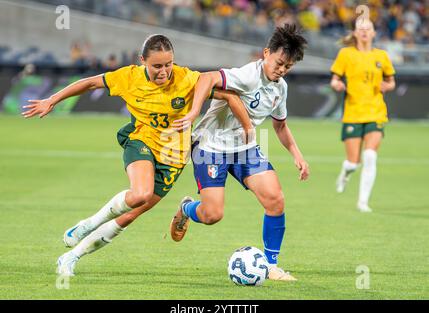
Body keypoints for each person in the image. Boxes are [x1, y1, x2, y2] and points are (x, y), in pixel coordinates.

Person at [22, 34, 250, 276]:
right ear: (143, 61)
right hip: (141, 141)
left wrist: (248, 128)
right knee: (140, 193)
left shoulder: (186, 79)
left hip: (173, 159)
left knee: (129, 216)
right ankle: (88, 224)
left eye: (168, 64)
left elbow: (228, 95)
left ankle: (71, 256)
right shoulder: (128, 77)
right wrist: (53, 99)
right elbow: (89, 83)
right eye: (157, 66)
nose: (164, 72)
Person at [169, 24, 310, 281]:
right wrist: (193, 113)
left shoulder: (280, 88)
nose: (281, 70)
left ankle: (269, 265)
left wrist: (296, 154)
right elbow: (206, 78)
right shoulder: (248, 75)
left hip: (244, 149)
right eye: (279, 62)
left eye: (287, 67)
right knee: (212, 215)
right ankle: (187, 208)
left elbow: (280, 126)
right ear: (266, 53)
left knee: (275, 200)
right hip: (210, 147)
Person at [330, 18, 396, 213]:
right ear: (356, 33)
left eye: (369, 28)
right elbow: (334, 79)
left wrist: (387, 86)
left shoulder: (382, 56)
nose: (365, 32)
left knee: (370, 155)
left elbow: (391, 81)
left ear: (374, 33)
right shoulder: (346, 54)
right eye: (361, 29)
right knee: (353, 162)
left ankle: (363, 202)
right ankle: (345, 172)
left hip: (376, 112)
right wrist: (337, 84)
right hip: (352, 113)